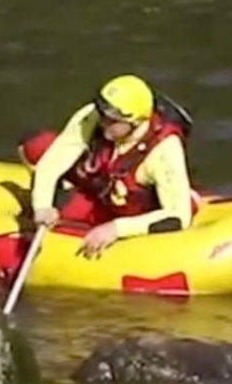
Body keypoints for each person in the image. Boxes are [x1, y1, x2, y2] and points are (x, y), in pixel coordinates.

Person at [18, 74, 199, 259]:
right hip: (102, 193)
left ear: (134, 122)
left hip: (134, 211)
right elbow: (52, 163)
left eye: (112, 120)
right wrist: (42, 206)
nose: (103, 122)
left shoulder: (164, 150)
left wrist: (116, 229)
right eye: (102, 113)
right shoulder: (93, 116)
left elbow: (178, 216)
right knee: (36, 146)